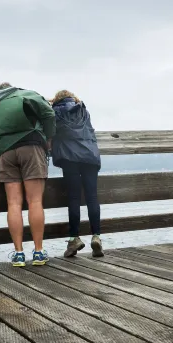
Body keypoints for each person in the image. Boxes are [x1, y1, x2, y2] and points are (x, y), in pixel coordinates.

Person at [0, 83, 56, 267]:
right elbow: (49, 114)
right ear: (11, 88)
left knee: (13, 203)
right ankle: (38, 253)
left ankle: (18, 254)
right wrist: (48, 138)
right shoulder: (25, 94)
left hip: (4, 152)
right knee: (35, 201)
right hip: (30, 147)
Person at [50, 90, 103, 258]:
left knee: (73, 198)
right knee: (92, 197)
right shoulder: (83, 110)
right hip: (89, 156)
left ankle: (74, 239)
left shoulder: (54, 112)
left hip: (69, 158)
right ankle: (97, 236)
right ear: (73, 99)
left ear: (56, 100)